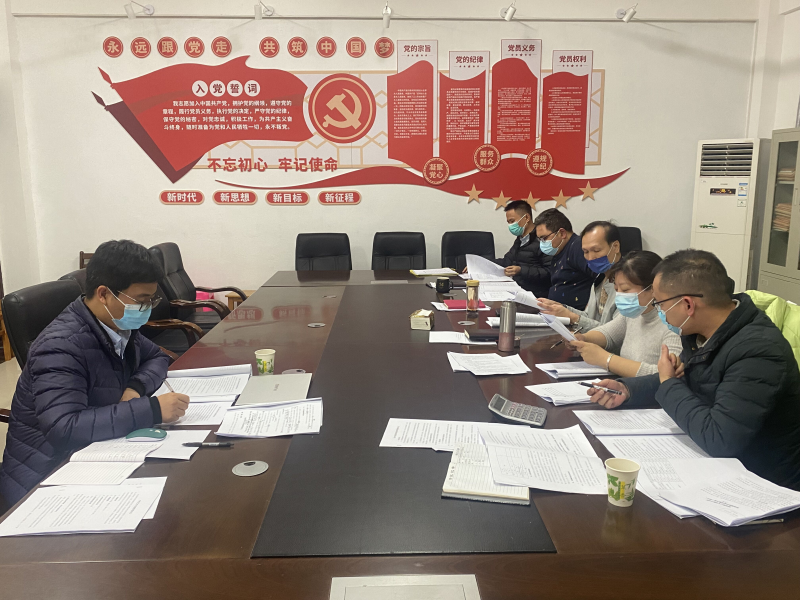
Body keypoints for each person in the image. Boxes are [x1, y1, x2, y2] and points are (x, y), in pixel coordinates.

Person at [587, 249, 800, 490]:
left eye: (660, 304)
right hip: (717, 464)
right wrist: (627, 389)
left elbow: (719, 438)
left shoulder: (758, 352)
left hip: (763, 483)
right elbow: (681, 378)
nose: (659, 311)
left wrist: (669, 383)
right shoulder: (701, 332)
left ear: (688, 304)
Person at [0, 240, 190, 505]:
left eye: (151, 299)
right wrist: (152, 410)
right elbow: (64, 427)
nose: (146, 308)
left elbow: (157, 357)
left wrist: (135, 388)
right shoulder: (59, 346)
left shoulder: (116, 325)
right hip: (46, 478)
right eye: (141, 300)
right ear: (103, 294)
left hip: (97, 451)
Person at [570, 251, 681, 377]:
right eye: (617, 290)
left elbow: (665, 375)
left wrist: (606, 359)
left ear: (653, 288)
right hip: (624, 385)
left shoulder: (673, 324)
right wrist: (584, 338)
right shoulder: (634, 314)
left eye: (625, 289)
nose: (619, 296)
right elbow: (608, 334)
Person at [538, 221, 622, 329]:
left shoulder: (628, 284)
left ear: (615, 247)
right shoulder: (600, 278)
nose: (590, 258)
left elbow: (614, 334)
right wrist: (561, 308)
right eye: (585, 252)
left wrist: (573, 317)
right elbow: (589, 317)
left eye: (596, 250)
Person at [532, 208, 595, 310]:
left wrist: (591, 308)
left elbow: (600, 277)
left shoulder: (578, 247)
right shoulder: (559, 250)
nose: (542, 243)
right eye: (540, 239)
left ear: (562, 233)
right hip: (557, 312)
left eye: (544, 238)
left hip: (575, 315)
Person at [494, 200, 550, 297]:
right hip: (517, 290)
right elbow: (507, 261)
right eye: (508, 222)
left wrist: (521, 270)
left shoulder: (543, 240)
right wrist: (480, 263)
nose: (510, 226)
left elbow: (549, 272)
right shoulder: (520, 239)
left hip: (536, 295)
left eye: (512, 221)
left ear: (527, 217)